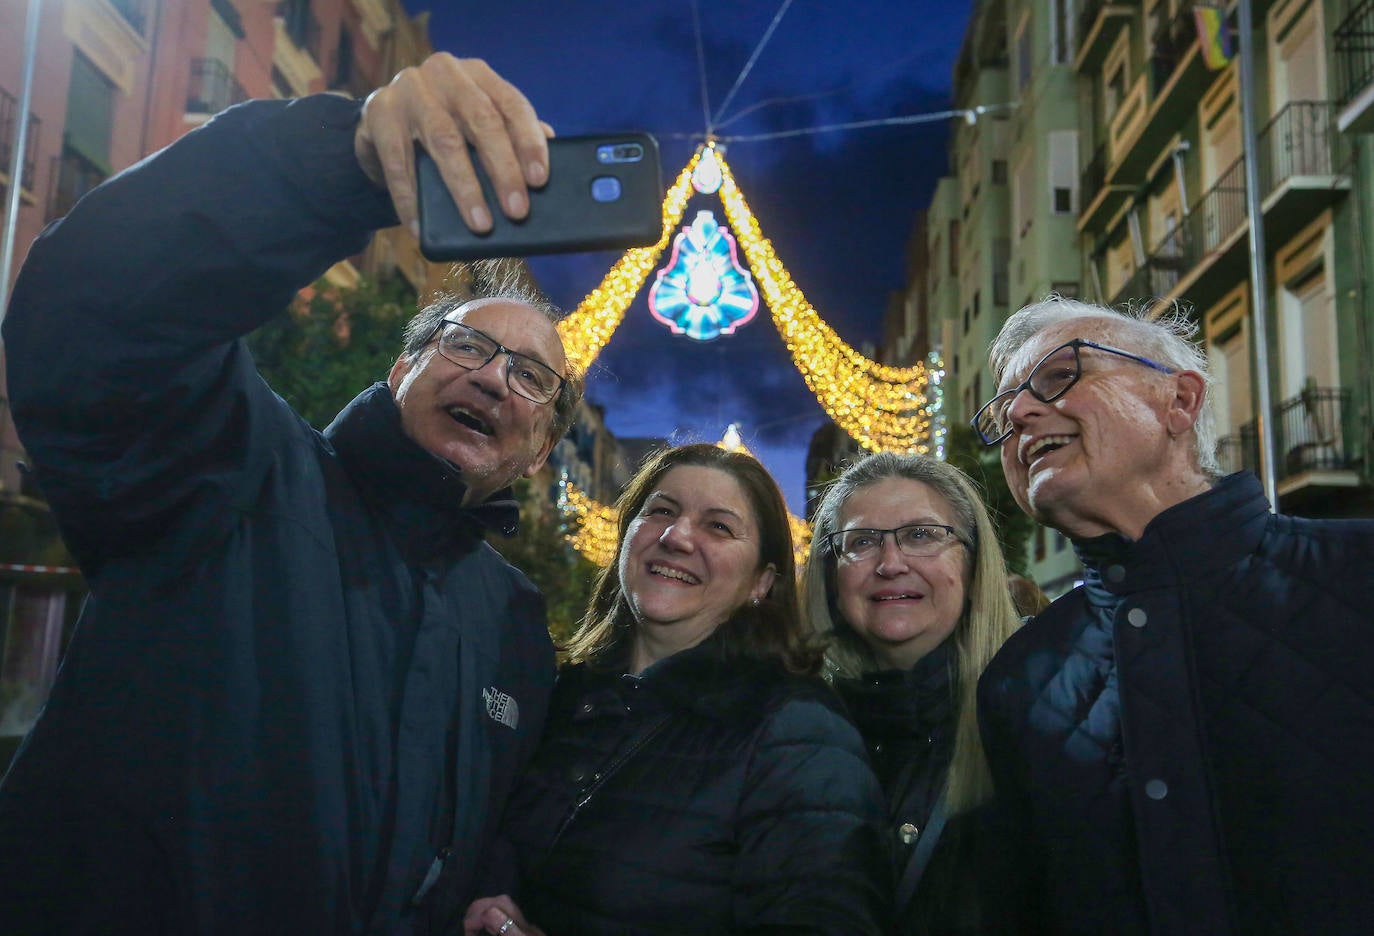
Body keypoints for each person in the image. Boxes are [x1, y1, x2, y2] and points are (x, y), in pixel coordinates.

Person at [0, 55, 584, 933]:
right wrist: (336, 164)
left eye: (533, 377)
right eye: (468, 347)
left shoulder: (515, 624)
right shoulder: (232, 465)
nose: (497, 377)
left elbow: (487, 823)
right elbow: (104, 309)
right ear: (402, 368)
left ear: (539, 450)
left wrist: (490, 889)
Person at [970, 296, 1374, 934]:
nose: (1019, 414)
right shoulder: (1019, 679)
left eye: (1059, 377)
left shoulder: (1358, 575)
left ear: (1180, 403)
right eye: (1005, 408)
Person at [464, 444, 891, 936]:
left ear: (762, 582)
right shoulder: (561, 698)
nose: (676, 537)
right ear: (626, 537)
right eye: (661, 511)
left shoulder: (798, 733)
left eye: (718, 526)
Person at [801, 452, 1021, 934]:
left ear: (972, 561)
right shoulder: (793, 731)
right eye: (861, 542)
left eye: (921, 535)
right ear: (830, 576)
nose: (891, 563)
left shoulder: (1036, 719)